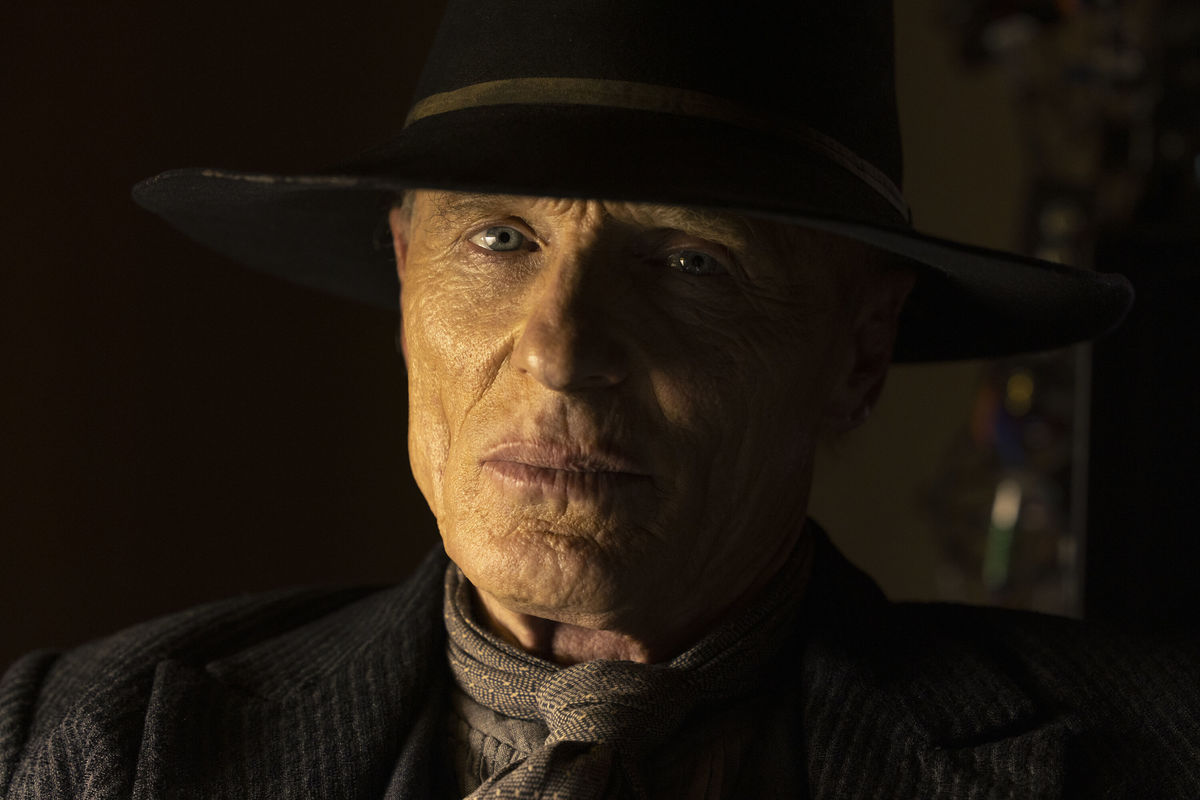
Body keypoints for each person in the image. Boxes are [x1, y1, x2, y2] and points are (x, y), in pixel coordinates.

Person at [2, 1, 1197, 798]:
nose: (561, 352)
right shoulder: (93, 741)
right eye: (499, 238)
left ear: (859, 349)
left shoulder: (1155, 755)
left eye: (688, 261)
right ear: (407, 276)